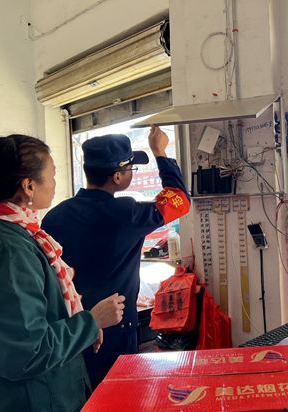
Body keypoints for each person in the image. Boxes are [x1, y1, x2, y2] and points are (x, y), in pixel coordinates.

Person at [0, 135, 126, 411]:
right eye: (52, 175)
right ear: (29, 186)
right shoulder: (9, 251)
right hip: (31, 400)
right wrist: (92, 321)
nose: (54, 183)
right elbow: (24, 353)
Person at [42, 126, 191, 388]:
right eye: (131, 168)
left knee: (81, 397)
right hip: (116, 331)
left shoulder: (54, 217)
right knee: (119, 395)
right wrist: (160, 152)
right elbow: (179, 199)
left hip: (70, 332)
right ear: (118, 176)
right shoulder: (126, 214)